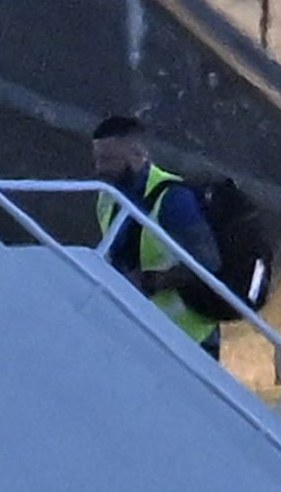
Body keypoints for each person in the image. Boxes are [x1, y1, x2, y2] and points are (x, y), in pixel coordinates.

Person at [89, 114, 221, 353]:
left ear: (138, 154)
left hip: (188, 340)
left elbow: (207, 262)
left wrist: (150, 281)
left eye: (109, 160)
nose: (100, 169)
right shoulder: (107, 196)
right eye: (97, 160)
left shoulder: (173, 199)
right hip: (139, 329)